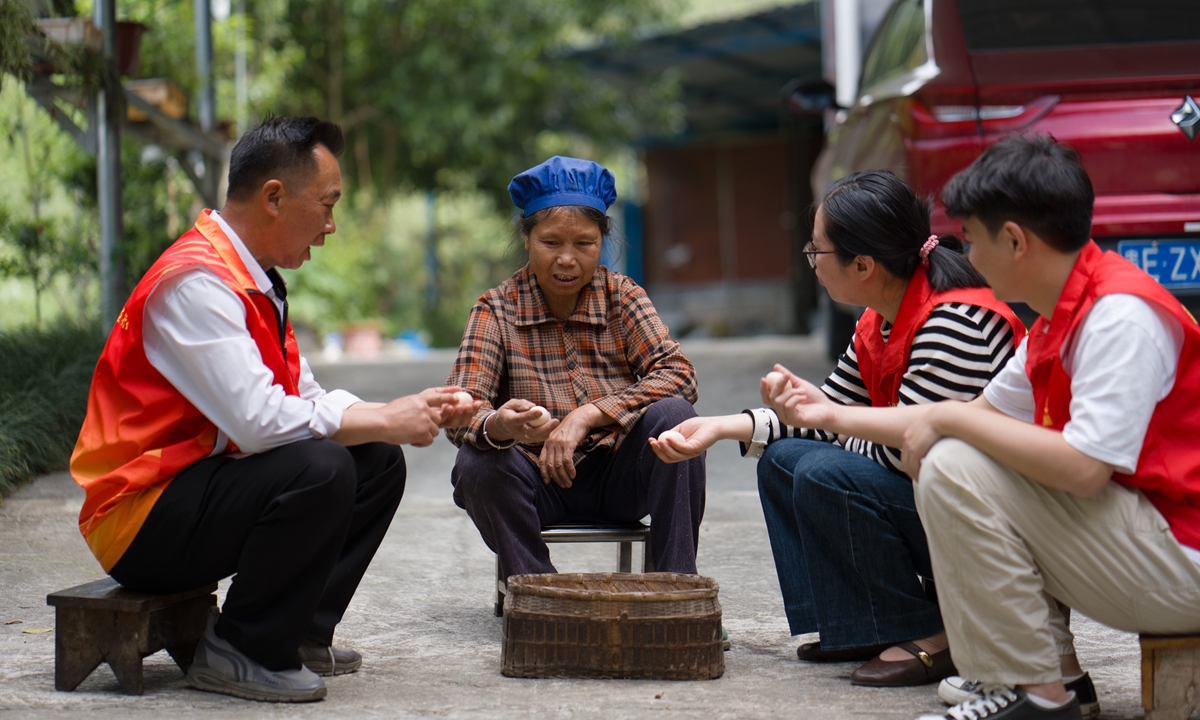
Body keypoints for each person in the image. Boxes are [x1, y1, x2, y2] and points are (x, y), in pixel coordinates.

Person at [765, 135, 1200, 720]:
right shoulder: (1061, 315)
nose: (959, 254)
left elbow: (1083, 467)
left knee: (956, 462)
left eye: (971, 238)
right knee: (959, 454)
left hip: (1181, 564)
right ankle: (1059, 686)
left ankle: (1033, 693)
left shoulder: (1119, 317)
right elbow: (983, 415)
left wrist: (942, 421)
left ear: (1015, 240)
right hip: (1147, 543)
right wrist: (833, 416)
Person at [70, 116, 477, 703]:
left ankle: (297, 635)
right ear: (274, 197)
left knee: (375, 459)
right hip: (138, 517)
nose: (331, 226)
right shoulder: (194, 284)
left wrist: (398, 412)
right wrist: (383, 418)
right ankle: (242, 648)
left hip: (194, 489)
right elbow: (259, 424)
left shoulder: (250, 280)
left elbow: (303, 395)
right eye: (327, 205)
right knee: (321, 468)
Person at [651, 170, 1025, 686]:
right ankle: (862, 624)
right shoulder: (880, 318)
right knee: (784, 462)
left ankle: (933, 632)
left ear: (864, 265)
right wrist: (718, 428)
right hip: (931, 499)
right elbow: (832, 417)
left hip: (990, 517)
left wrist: (827, 420)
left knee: (826, 470)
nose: (812, 264)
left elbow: (901, 453)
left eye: (817, 252)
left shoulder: (954, 322)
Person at [445, 155, 706, 585]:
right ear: (526, 239)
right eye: (551, 243)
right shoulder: (495, 308)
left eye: (584, 244)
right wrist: (501, 425)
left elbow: (679, 374)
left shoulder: (622, 295)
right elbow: (460, 410)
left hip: (619, 478)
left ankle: (675, 592)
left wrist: (588, 415)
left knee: (676, 417)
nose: (567, 259)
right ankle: (540, 594)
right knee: (476, 462)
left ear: (602, 242)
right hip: (535, 484)